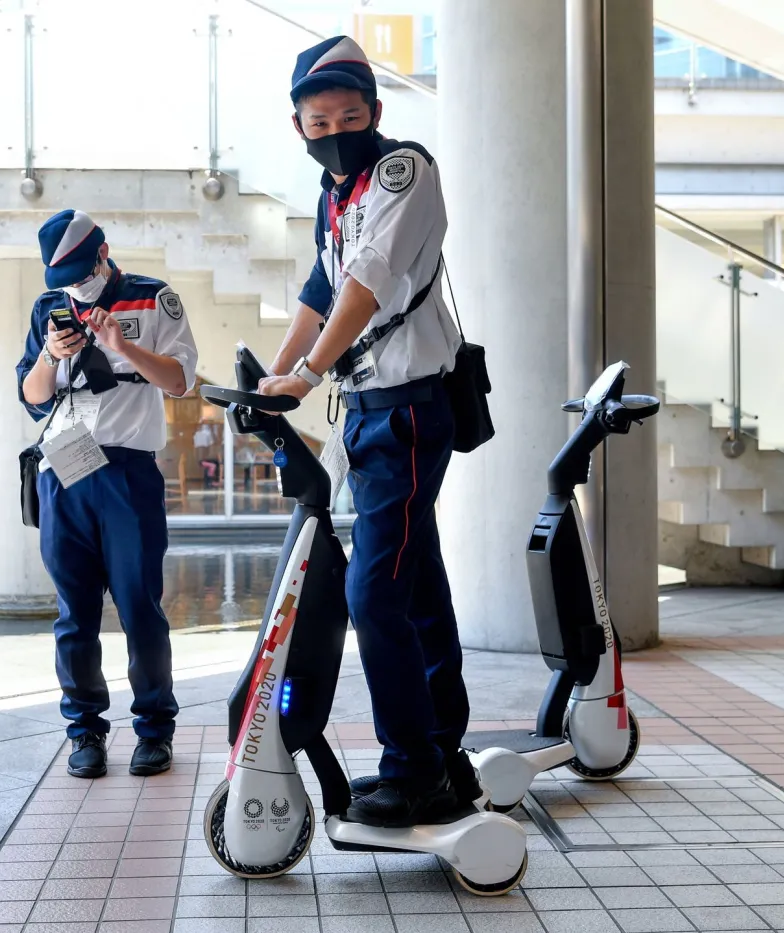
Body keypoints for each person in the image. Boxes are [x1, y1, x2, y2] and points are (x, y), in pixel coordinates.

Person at [257, 37, 476, 827]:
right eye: (320, 119)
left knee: (371, 591)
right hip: (373, 412)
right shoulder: (332, 196)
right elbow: (318, 291)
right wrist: (273, 378)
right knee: (414, 586)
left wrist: (307, 373)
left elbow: (366, 281)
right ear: (300, 127)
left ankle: (414, 769)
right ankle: (444, 750)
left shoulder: (399, 170)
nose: (336, 127)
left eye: (351, 113)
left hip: (412, 408)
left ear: (375, 114)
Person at [17, 210, 199, 779]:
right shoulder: (49, 310)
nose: (74, 284)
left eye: (80, 270)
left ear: (103, 253)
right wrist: (51, 355)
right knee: (74, 612)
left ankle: (154, 729)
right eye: (62, 276)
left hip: (126, 470)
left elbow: (180, 381)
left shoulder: (152, 299)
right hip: (64, 469)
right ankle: (85, 732)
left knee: (139, 606)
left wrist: (121, 346)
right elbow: (30, 394)